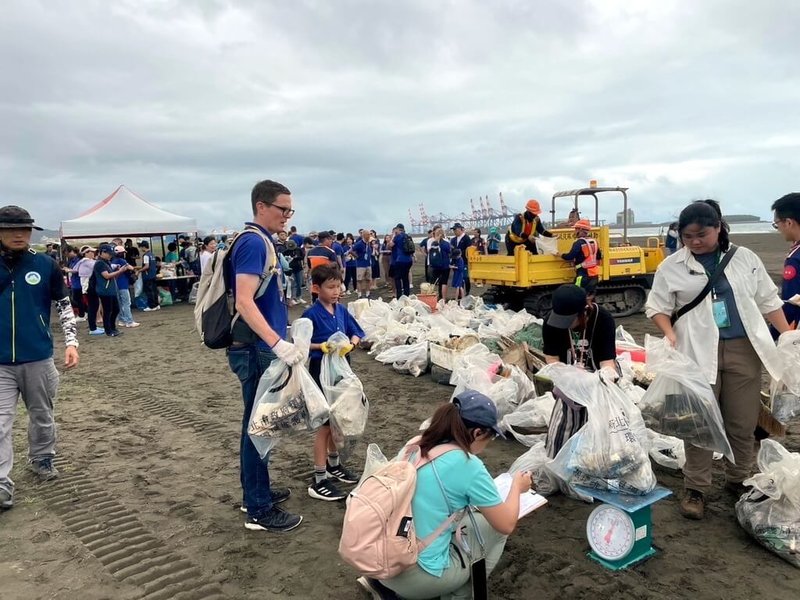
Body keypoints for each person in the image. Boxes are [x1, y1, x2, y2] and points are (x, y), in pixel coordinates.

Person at [645, 199, 791, 520]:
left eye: (702, 234)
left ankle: (739, 479)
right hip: (695, 353)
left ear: (719, 228)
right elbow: (656, 306)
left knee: (741, 420)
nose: (695, 242)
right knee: (698, 422)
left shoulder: (745, 259)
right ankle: (696, 488)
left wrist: (788, 334)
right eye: (687, 236)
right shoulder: (672, 266)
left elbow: (768, 300)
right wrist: (669, 332)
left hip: (744, 350)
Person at [359, 391, 531, 600]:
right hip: (415, 577)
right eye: (490, 436)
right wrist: (516, 487)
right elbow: (506, 524)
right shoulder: (468, 465)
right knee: (495, 529)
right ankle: (458, 595)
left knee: (462, 520)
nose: (489, 442)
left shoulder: (417, 443)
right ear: (477, 433)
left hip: (380, 560)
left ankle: (385, 588)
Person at [227, 179, 304, 532]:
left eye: (290, 210)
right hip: (256, 348)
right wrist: (276, 342)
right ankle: (257, 508)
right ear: (261, 207)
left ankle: (256, 493)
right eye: (282, 209)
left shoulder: (262, 242)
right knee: (258, 427)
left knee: (260, 424)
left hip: (261, 346)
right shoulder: (254, 243)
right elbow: (244, 300)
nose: (287, 216)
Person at [0, 205, 79, 510]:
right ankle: (2, 485)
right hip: (1, 364)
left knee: (42, 415)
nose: (19, 234)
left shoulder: (45, 264)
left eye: (24, 229)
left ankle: (42, 457)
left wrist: (71, 343)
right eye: (10, 229)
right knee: (1, 424)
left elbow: (64, 305)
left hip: (38, 358)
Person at [302, 264, 365, 501]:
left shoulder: (341, 310)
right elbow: (300, 343)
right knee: (325, 424)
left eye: (338, 286)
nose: (336, 291)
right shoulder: (310, 314)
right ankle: (319, 477)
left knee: (337, 421)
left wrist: (353, 343)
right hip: (321, 372)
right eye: (331, 287)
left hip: (342, 371)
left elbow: (356, 331)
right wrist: (321, 347)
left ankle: (334, 464)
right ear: (316, 289)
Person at [542, 285, 617, 458]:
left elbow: (607, 363)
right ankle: (558, 468)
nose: (564, 324)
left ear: (584, 311)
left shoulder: (602, 319)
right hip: (569, 383)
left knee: (600, 434)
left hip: (597, 381)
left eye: (569, 319)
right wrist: (566, 376)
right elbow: (552, 358)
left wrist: (601, 382)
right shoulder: (551, 322)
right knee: (562, 431)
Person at [770, 192, 800, 330]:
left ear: (788, 223)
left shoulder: (795, 259)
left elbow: (792, 303)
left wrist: (773, 334)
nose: (779, 230)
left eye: (777, 224)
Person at [559, 219, 602, 299]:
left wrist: (561, 255)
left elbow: (569, 256)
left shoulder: (578, 243)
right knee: (589, 297)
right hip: (594, 276)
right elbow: (599, 256)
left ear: (581, 230)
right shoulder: (594, 242)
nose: (574, 231)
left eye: (576, 229)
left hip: (582, 276)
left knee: (577, 296)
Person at [93, 244, 130, 337]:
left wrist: (117, 271)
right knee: (108, 311)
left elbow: (111, 275)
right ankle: (109, 330)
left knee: (115, 309)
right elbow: (107, 276)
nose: (110, 256)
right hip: (105, 291)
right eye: (108, 253)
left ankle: (112, 328)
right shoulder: (100, 263)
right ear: (102, 253)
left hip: (110, 290)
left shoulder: (106, 262)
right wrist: (120, 271)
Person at [77, 246, 103, 335]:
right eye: (91, 252)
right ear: (86, 253)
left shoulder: (86, 261)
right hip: (88, 288)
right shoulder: (86, 261)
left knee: (94, 307)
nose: (93, 253)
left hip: (90, 287)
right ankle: (93, 328)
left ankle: (94, 327)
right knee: (92, 307)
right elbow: (98, 266)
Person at [112, 245, 140, 328]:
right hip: (123, 284)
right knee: (126, 303)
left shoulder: (112, 261)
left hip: (115, 284)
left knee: (119, 303)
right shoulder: (122, 261)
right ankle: (129, 321)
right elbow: (131, 267)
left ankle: (122, 320)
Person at [389, 224, 414, 299]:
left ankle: (399, 296)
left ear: (398, 229)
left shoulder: (398, 237)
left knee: (397, 278)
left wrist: (393, 235)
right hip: (409, 260)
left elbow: (391, 245)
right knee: (405, 278)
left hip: (400, 260)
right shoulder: (408, 236)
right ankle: (407, 295)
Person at [427, 227, 452, 300]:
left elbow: (429, 251)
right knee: (444, 282)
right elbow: (449, 251)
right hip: (445, 264)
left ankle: (431, 296)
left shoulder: (433, 242)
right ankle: (443, 298)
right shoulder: (446, 243)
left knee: (433, 281)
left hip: (435, 264)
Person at [63, 246, 86, 321]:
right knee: (76, 299)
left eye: (68, 253)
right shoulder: (71, 260)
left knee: (78, 300)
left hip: (79, 283)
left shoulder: (80, 260)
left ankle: (82, 314)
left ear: (72, 251)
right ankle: (84, 312)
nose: (67, 255)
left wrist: (69, 270)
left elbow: (79, 270)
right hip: (73, 282)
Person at [137, 240, 160, 311]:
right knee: (154, 290)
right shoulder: (152, 254)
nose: (141, 249)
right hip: (153, 275)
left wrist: (139, 271)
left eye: (141, 247)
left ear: (143, 247)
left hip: (147, 276)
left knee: (149, 291)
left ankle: (151, 306)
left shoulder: (146, 256)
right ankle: (156, 305)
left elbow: (146, 266)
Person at [450, 223, 472, 295]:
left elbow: (469, 249)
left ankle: (467, 291)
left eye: (455, 229)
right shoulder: (453, 240)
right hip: (455, 261)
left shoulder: (466, 238)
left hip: (464, 260)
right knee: (458, 277)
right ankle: (460, 293)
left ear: (460, 229)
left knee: (465, 277)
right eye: (453, 230)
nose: (454, 231)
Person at [352, 230, 373, 299]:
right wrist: (357, 257)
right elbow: (352, 250)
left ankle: (367, 293)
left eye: (369, 235)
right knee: (359, 280)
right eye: (367, 235)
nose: (369, 236)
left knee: (368, 279)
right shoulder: (359, 244)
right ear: (363, 235)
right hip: (361, 264)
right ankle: (359, 294)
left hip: (368, 264)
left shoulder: (368, 243)